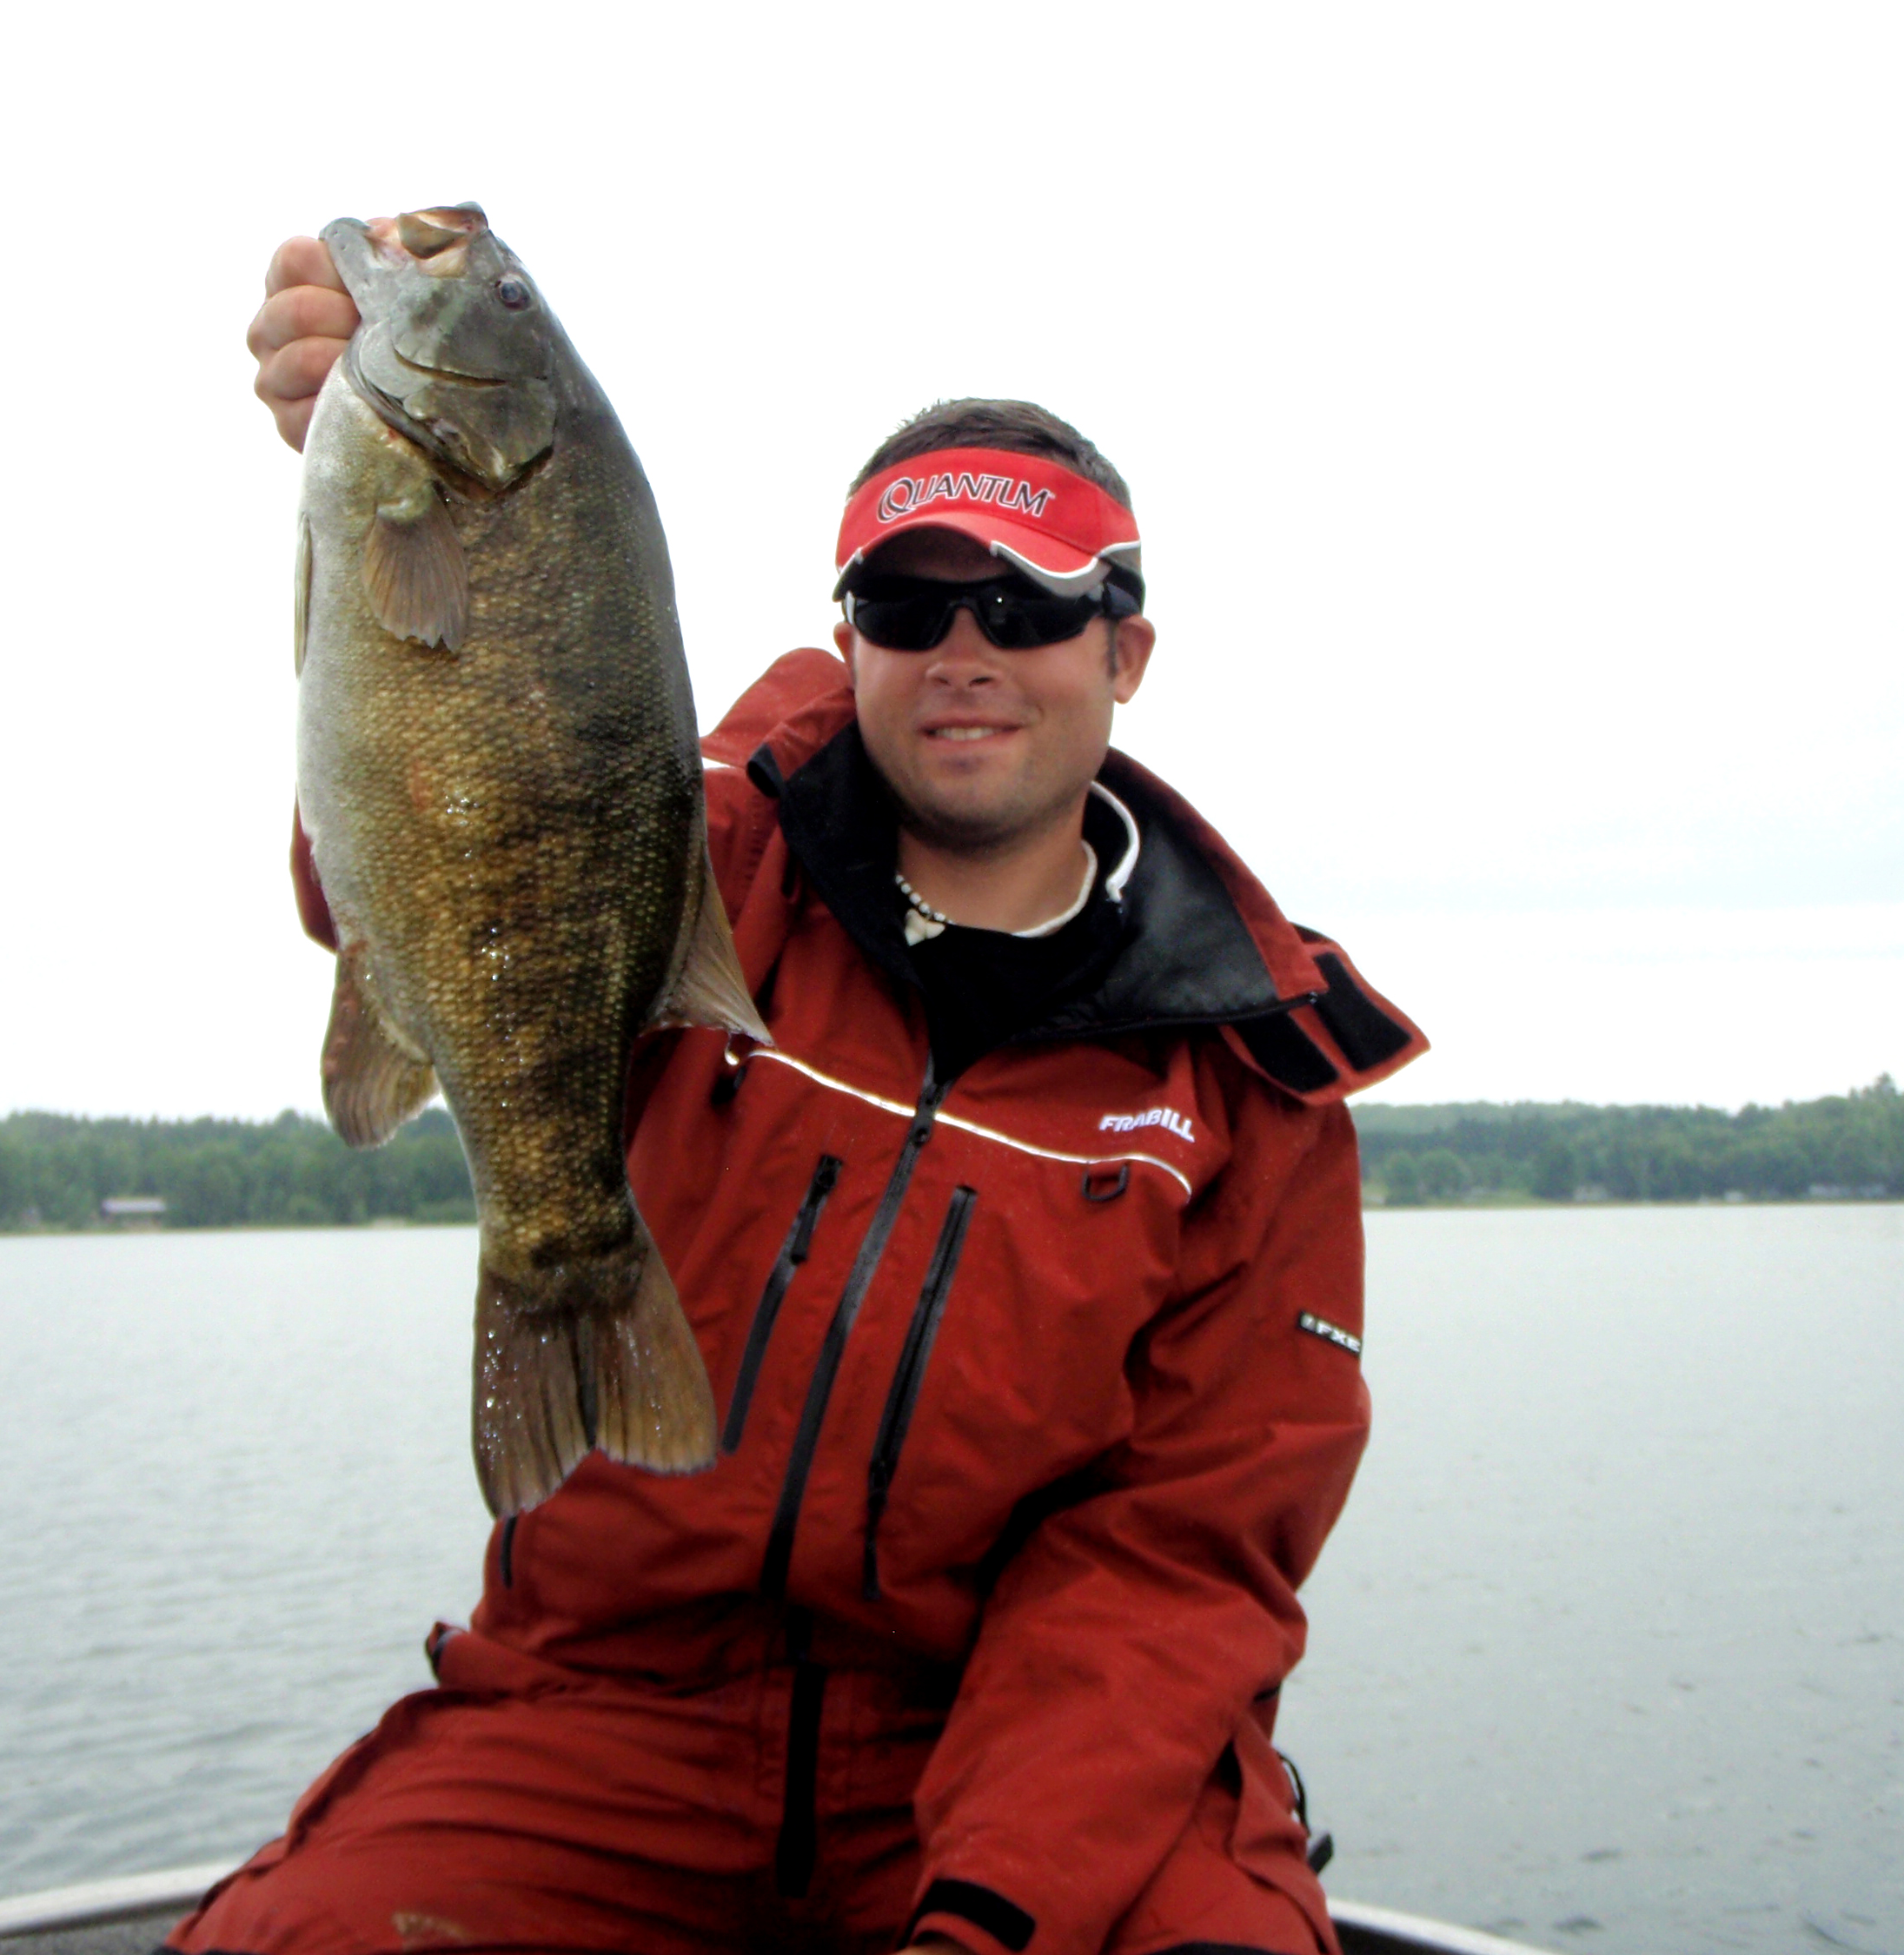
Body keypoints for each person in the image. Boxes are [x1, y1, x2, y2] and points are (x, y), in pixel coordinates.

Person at [183, 237, 1427, 1955]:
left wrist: (995, 1904)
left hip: (1018, 1745)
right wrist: (368, 482)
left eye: (1028, 602)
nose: (966, 647)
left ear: (1125, 652)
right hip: (609, 1708)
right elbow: (430, 834)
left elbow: (1179, 1565)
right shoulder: (715, 848)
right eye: (912, 604)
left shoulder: (1255, 1086)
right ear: (849, 637)